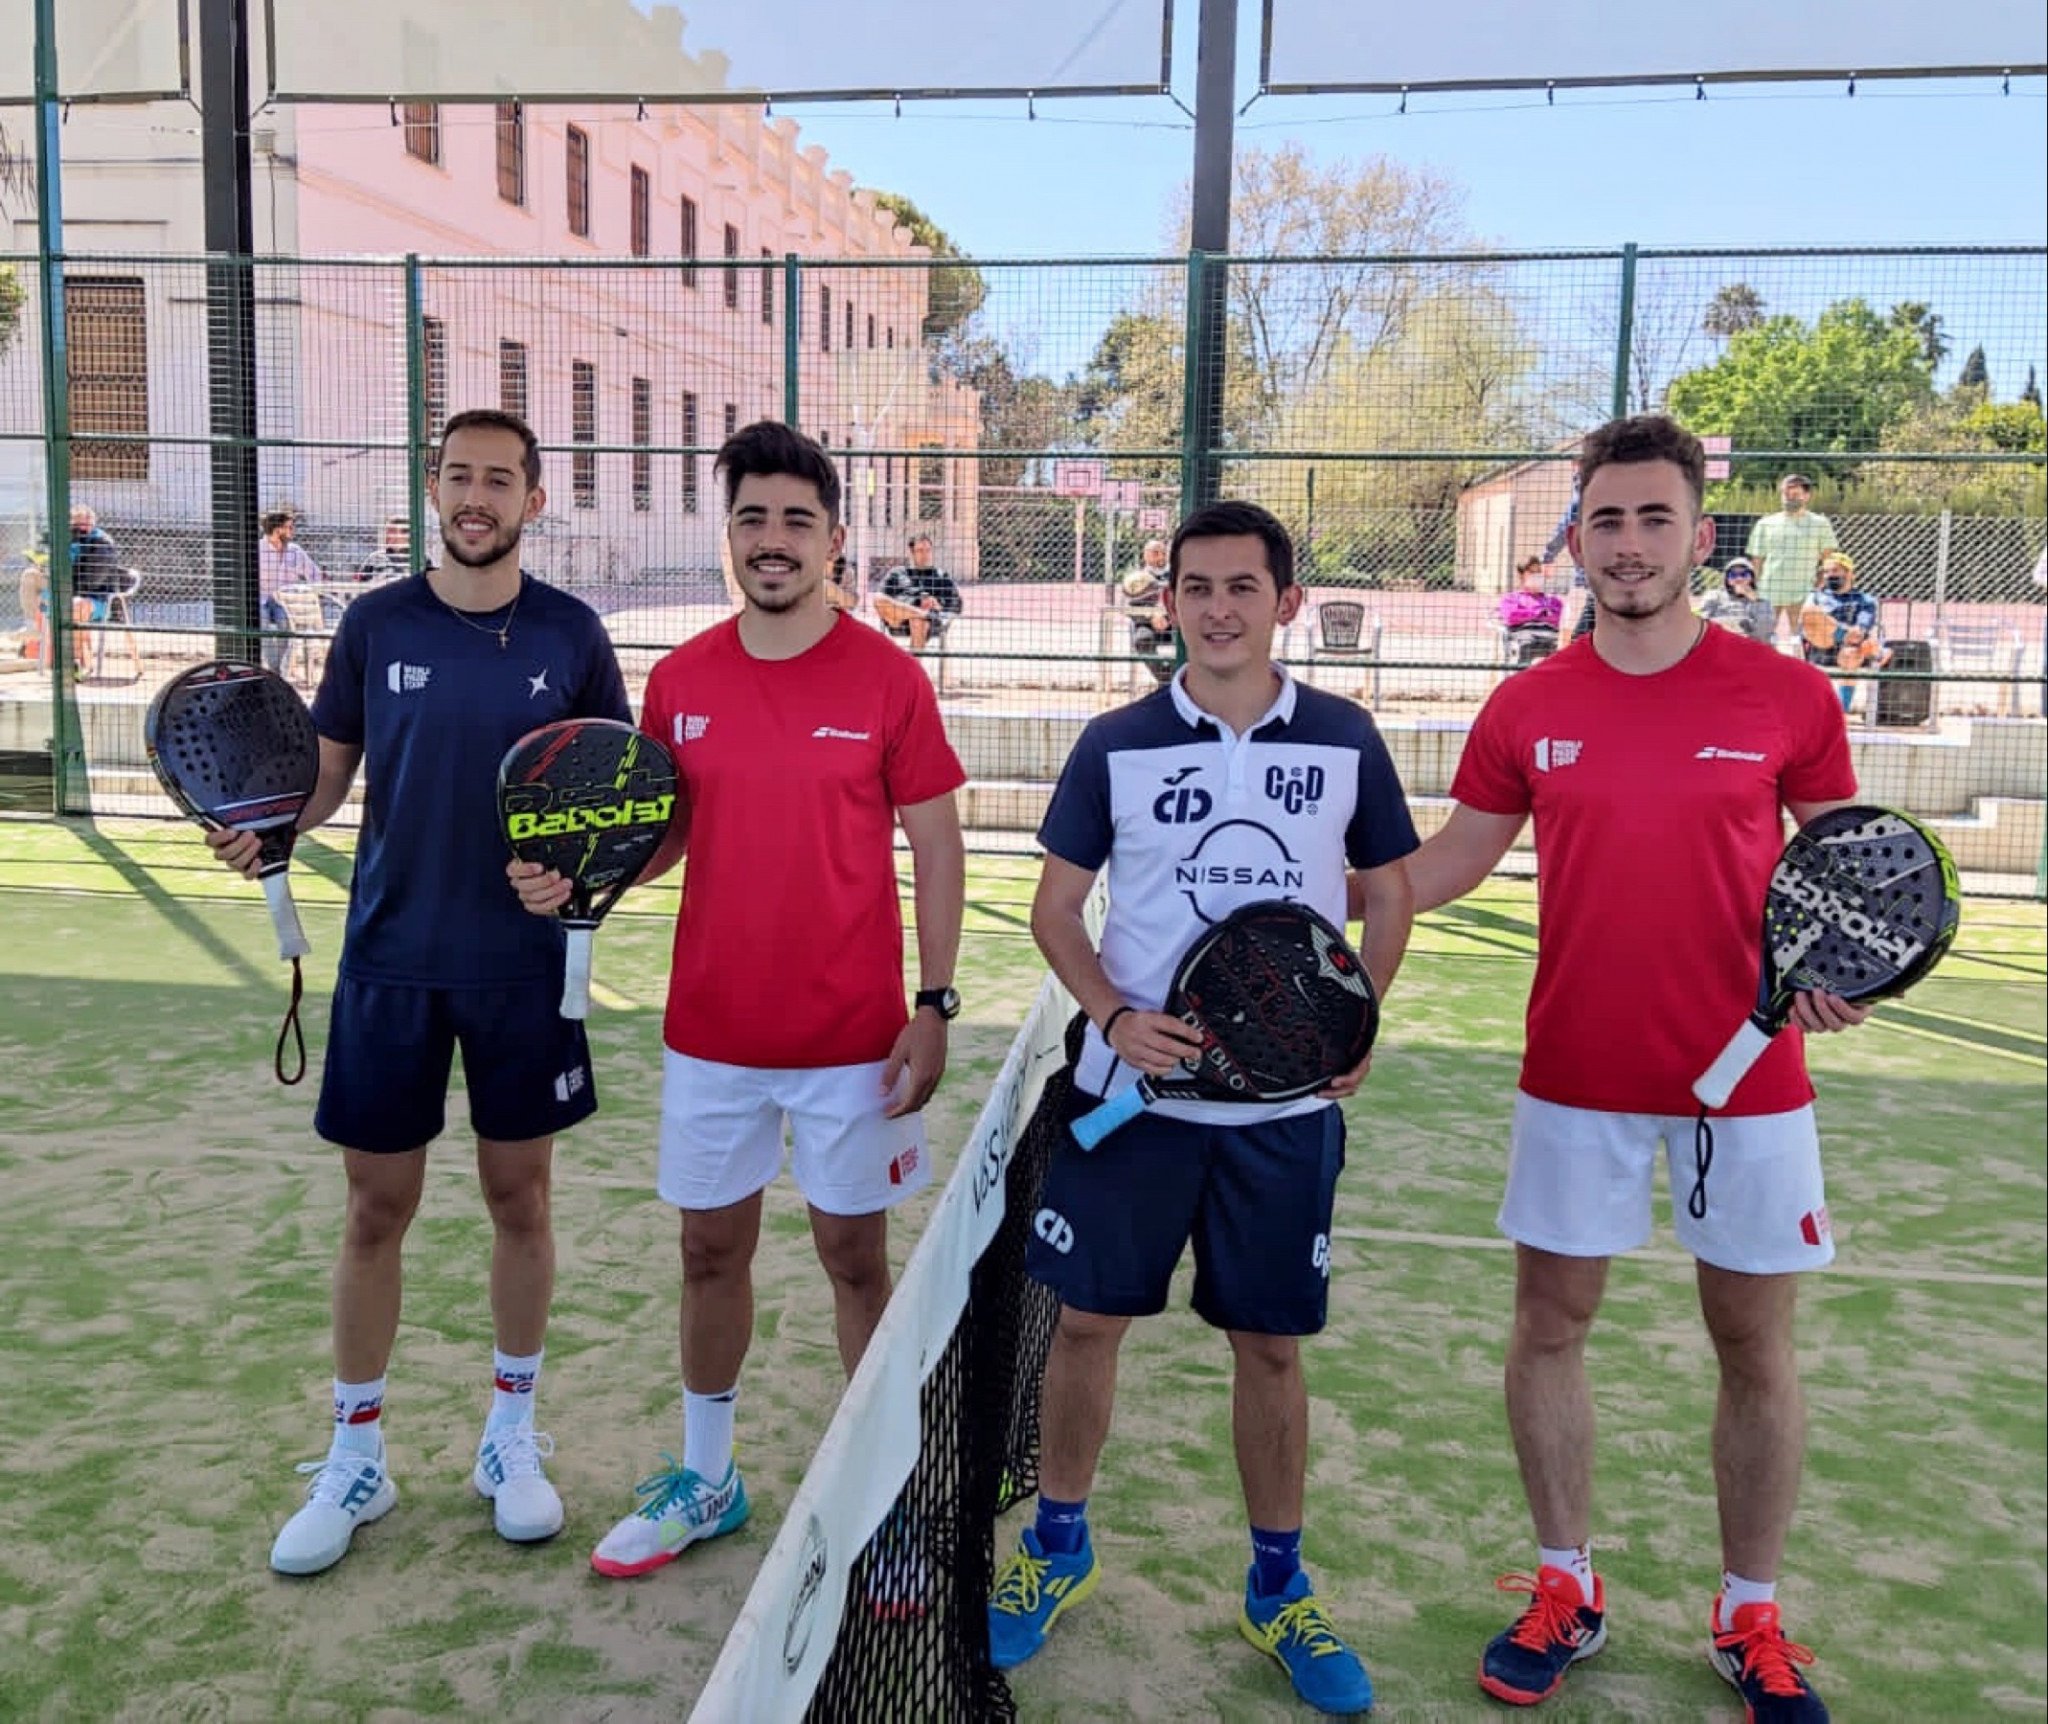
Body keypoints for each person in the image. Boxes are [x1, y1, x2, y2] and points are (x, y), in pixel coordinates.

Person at [1405, 414, 1867, 1722]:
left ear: (1697, 535)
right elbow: (1450, 862)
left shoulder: (1786, 696)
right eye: (1604, 519)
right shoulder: (1527, 705)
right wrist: (1311, 887)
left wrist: (1842, 970)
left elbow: (1847, 870)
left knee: (1753, 1343)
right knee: (1549, 1326)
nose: (1627, 543)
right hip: (1576, 1075)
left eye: (1653, 517)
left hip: (1750, 1079)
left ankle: (1749, 1613)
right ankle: (1565, 1584)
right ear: (1576, 538)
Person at [514, 421, 966, 1581]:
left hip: (853, 1041)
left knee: (852, 1259)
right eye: (752, 518)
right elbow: (658, 834)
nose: (772, 539)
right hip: (712, 1035)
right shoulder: (681, 678)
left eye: (795, 520)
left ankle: (886, 1497)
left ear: (833, 540)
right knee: (708, 1249)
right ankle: (708, 1478)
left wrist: (932, 1002)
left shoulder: (887, 677)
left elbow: (936, 844)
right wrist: (580, 875)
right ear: (728, 534)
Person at [988, 499, 1417, 1717]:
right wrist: (1112, 1017)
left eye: (1240, 587)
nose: (1216, 609)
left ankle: (1277, 1584)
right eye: (1195, 587)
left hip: (1278, 1121)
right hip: (1131, 1104)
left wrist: (1352, 1020)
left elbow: (1388, 892)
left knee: (1268, 1346)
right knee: (1084, 1327)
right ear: (1166, 599)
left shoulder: (1343, 735)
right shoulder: (1114, 742)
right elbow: (1055, 910)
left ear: (1285, 601)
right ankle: (1057, 1545)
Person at [206, 409, 633, 1578]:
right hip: (389, 961)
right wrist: (265, 827)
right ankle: (357, 1454)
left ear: (533, 500)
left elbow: (615, 800)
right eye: (458, 476)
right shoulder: (376, 622)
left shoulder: (572, 632)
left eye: (499, 479)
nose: (475, 496)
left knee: (520, 1200)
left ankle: (509, 1437)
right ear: (433, 488)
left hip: (522, 968)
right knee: (373, 1210)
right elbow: (324, 780)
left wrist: (574, 874)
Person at [1746, 474, 1840, 639]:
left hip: (1803, 591)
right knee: (1761, 638)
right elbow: (1757, 560)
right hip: (1769, 591)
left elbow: (1829, 559)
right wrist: (1755, 588)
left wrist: (1818, 585)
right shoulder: (1765, 524)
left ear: (1807, 496)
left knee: (1801, 638)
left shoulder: (1820, 524)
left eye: (1795, 494)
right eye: (1785, 494)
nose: (1789, 498)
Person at [1799, 550, 1887, 715]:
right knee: (1810, 611)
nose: (1829, 575)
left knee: (1851, 654)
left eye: (1835, 570)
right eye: (1826, 572)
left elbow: (1860, 630)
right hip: (1821, 644)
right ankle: (1843, 634)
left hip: (1850, 647)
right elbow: (1806, 622)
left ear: (1849, 573)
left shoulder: (1865, 600)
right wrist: (1843, 631)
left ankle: (1840, 711)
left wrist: (1852, 634)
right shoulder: (1817, 596)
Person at [259, 507, 324, 673]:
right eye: (289, 527)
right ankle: (274, 670)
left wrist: (312, 593)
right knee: (262, 623)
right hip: (262, 599)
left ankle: (280, 669)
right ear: (277, 530)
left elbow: (315, 574)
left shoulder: (295, 551)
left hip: (286, 602)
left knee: (286, 625)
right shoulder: (258, 550)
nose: (292, 531)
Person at [872, 533, 963, 651]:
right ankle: (921, 613)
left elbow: (956, 604)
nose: (925, 555)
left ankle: (912, 664)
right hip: (898, 620)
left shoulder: (940, 576)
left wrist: (938, 605)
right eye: (920, 551)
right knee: (878, 598)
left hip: (928, 623)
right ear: (911, 552)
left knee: (918, 621)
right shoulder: (897, 573)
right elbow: (882, 597)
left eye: (928, 550)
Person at [1117, 535, 1176, 684]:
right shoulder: (1135, 579)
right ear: (1145, 555)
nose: (1160, 556)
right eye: (1155, 552)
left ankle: (1184, 679)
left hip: (1175, 623)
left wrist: (1170, 618)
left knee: (1188, 640)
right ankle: (1167, 679)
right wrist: (1151, 616)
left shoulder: (1176, 576)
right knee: (1142, 640)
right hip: (1147, 624)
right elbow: (1126, 607)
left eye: (1163, 552)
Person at [1499, 556, 1564, 668]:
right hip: (1524, 633)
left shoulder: (1552, 600)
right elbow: (1511, 617)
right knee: (1527, 644)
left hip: (1549, 634)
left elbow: (1559, 618)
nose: (1537, 576)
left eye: (1539, 572)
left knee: (1561, 647)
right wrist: (1538, 612)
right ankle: (1523, 675)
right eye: (1532, 572)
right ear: (1522, 575)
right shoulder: (1511, 598)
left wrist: (1530, 614)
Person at [1698, 557, 1777, 643]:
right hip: (1720, 642)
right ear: (1727, 580)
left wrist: (1756, 602)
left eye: (1744, 574)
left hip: (1747, 644)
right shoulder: (1714, 596)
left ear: (1751, 578)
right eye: (1733, 575)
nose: (1739, 578)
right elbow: (1702, 626)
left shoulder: (1761, 602)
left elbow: (1764, 634)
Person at [355, 516, 417, 581]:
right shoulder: (375, 557)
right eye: (387, 531)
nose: (387, 535)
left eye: (392, 531)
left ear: (406, 534)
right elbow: (358, 582)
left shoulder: (418, 559)